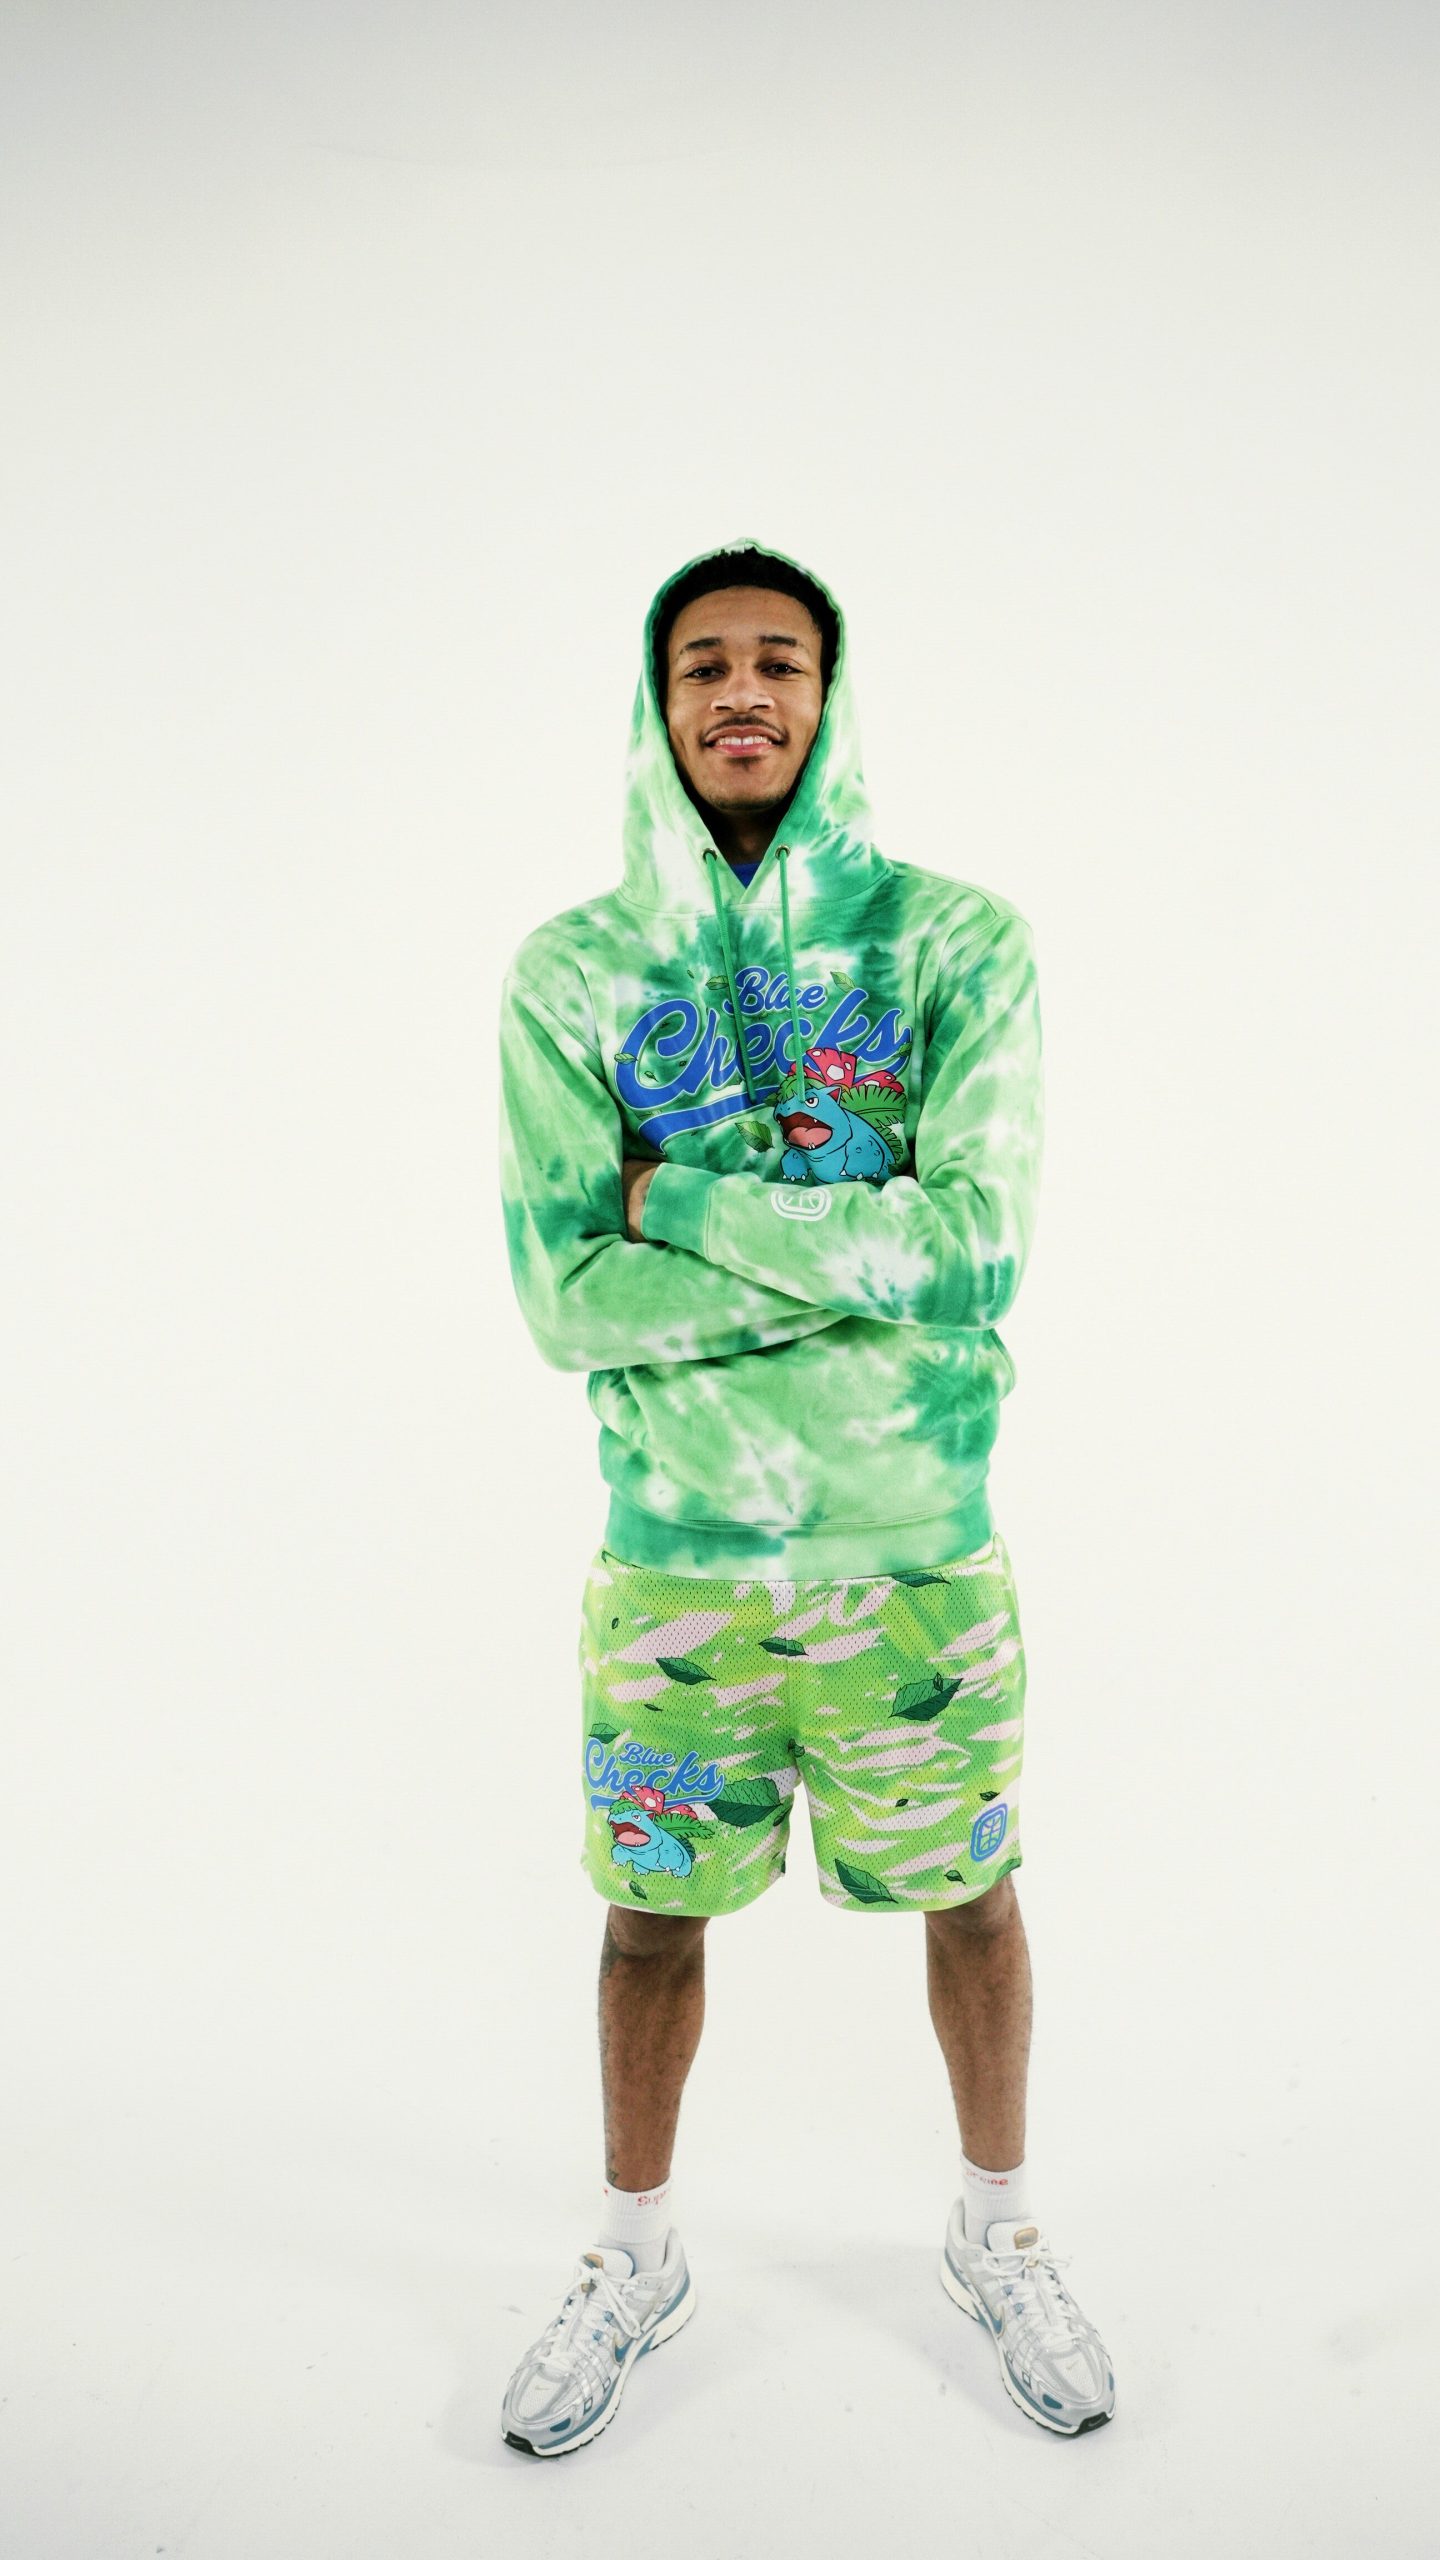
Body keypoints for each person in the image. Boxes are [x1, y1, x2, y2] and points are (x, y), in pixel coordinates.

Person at [495, 540, 1116, 2454]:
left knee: (976, 1901)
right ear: (658, 703)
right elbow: (562, 1300)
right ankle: (634, 2254)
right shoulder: (576, 975)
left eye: (779, 660)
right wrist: (857, 1263)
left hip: (918, 1559)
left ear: (829, 699)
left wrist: (679, 1200)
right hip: (676, 1569)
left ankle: (1000, 2231)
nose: (742, 692)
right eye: (705, 665)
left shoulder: (955, 943)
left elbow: (979, 1249)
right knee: (644, 1922)